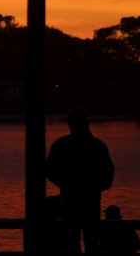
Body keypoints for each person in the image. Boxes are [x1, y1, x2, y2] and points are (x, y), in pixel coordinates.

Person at [46, 108, 115, 254]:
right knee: (91, 241)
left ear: (70, 125)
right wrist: (97, 187)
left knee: (71, 240)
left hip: (70, 199)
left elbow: (49, 170)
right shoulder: (98, 146)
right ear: (87, 124)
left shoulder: (61, 145)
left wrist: (65, 185)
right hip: (91, 200)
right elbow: (109, 173)